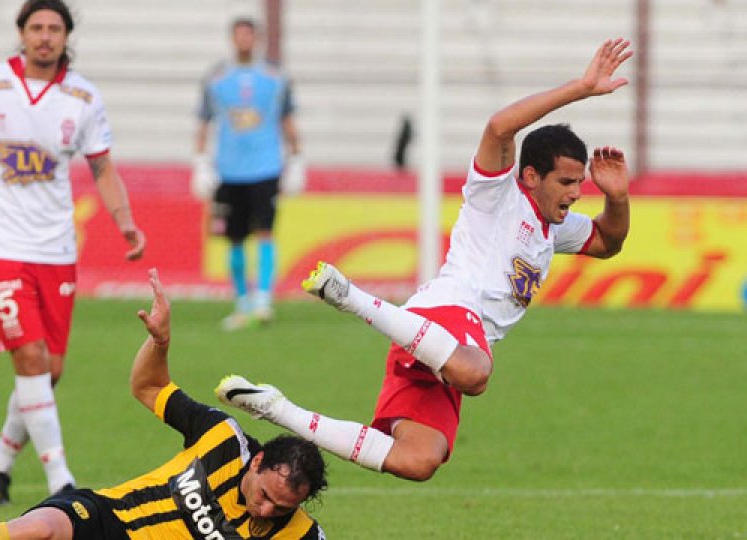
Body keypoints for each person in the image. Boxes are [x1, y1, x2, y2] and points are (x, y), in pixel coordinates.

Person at [217, 39, 633, 482]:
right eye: (566, 182)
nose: (575, 193)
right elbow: (498, 128)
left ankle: (277, 408)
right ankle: (350, 297)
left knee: (419, 460)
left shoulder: (555, 226)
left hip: (451, 350)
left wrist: (619, 197)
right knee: (477, 374)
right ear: (530, 176)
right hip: (448, 314)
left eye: (579, 183)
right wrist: (581, 88)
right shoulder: (496, 196)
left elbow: (608, 241)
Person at [0, 0, 146, 504]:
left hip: (56, 247)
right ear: (21, 33)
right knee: (27, 356)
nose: (44, 36)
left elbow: (103, 168)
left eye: (54, 28)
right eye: (36, 27)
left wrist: (125, 221)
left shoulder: (83, 97)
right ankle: (61, 482)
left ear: (66, 36)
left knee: (49, 371)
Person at [0, 269, 328, 540]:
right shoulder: (222, 439)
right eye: (265, 497)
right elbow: (147, 386)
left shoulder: (302, 535)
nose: (265, 512)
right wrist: (160, 344)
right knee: (39, 529)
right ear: (258, 462)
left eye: (282, 509)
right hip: (106, 518)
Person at [192, 17, 305, 331]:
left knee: (265, 232)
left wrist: (296, 159)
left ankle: (263, 300)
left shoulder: (276, 77)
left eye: (248, 35)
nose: (244, 40)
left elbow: (288, 121)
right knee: (235, 238)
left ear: (256, 38)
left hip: (266, 166)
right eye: (239, 34)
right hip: (229, 170)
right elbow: (204, 122)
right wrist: (200, 162)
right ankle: (242, 302)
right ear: (232, 38)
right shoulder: (215, 78)